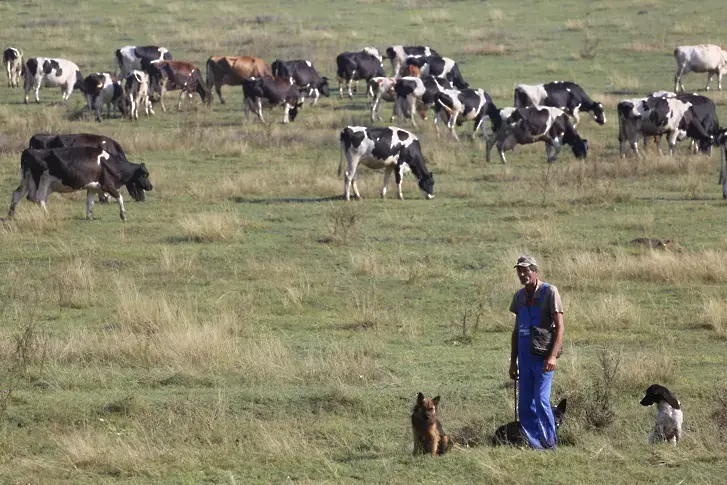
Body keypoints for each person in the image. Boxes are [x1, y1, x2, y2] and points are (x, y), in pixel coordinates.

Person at [508, 255, 564, 449]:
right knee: (524, 406)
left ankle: (550, 443)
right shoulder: (518, 297)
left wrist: (552, 356)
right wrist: (513, 361)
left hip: (543, 357)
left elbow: (560, 327)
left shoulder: (550, 292)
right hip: (524, 358)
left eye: (526, 270)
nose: (522, 274)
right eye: (519, 271)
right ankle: (536, 445)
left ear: (535, 271)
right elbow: (516, 331)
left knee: (541, 400)